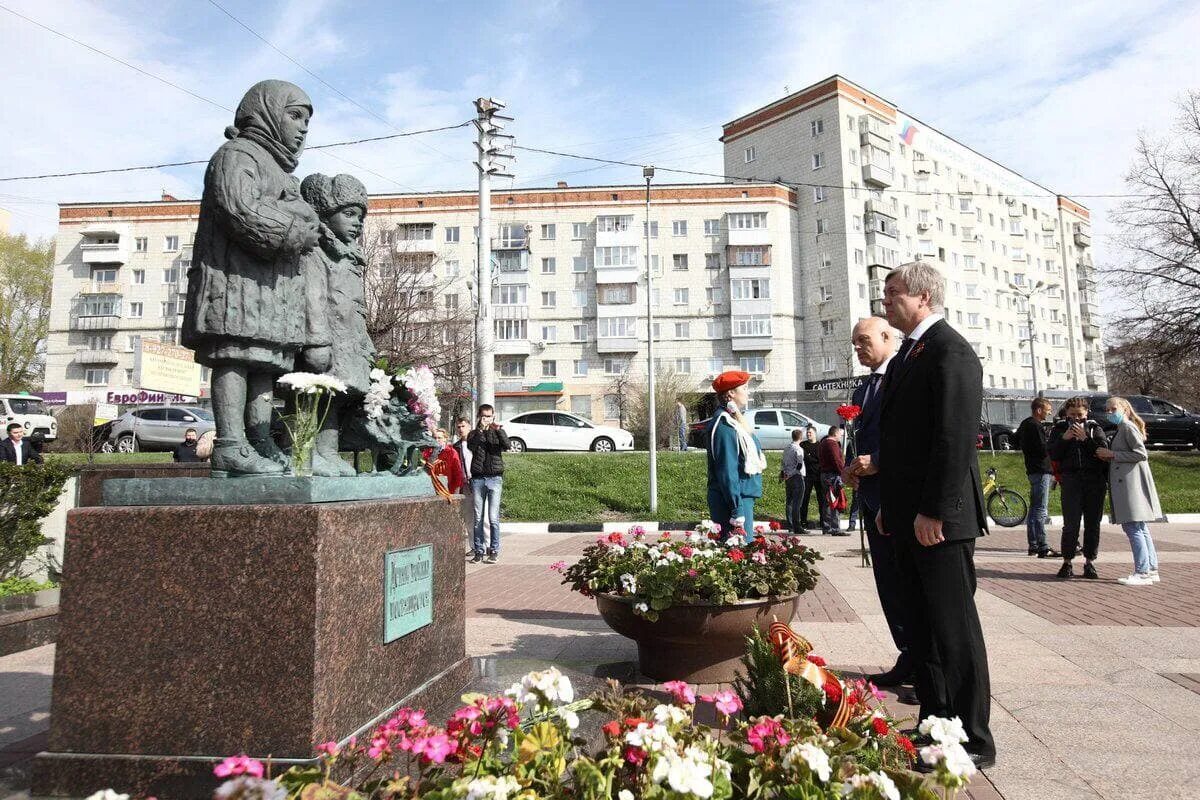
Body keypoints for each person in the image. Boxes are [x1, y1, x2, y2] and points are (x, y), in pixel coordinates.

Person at [874, 261, 995, 768]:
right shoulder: (911, 353)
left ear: (923, 297)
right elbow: (903, 443)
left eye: (893, 293)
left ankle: (974, 737)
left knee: (953, 629)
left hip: (939, 522)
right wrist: (890, 509)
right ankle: (936, 721)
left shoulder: (950, 351)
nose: (886, 302)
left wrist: (933, 511)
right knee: (921, 628)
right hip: (906, 517)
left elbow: (952, 440)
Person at [181, 80, 320, 477]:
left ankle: (257, 440)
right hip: (235, 285)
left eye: (307, 120)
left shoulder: (277, 169)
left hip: (267, 293)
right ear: (266, 112)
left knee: (265, 364)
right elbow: (240, 207)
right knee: (234, 358)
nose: (302, 127)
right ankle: (229, 443)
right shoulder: (236, 154)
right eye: (294, 115)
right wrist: (295, 230)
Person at [843, 315, 911, 686]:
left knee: (906, 582)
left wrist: (879, 461)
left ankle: (923, 665)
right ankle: (907, 654)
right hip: (871, 498)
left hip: (899, 498)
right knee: (886, 581)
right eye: (854, 342)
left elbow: (910, 436)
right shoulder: (862, 389)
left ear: (887, 336)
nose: (858, 348)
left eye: (864, 340)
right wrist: (850, 469)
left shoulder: (903, 375)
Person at [297, 172, 374, 477]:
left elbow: (359, 308)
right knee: (311, 393)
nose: (357, 223)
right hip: (323, 339)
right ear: (327, 214)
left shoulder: (350, 258)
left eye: (361, 217)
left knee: (335, 395)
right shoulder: (315, 250)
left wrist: (365, 342)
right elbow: (312, 297)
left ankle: (327, 451)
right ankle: (304, 452)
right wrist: (317, 339)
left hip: (347, 339)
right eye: (350, 214)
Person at [1096, 397, 1162, 586]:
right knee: (1140, 528)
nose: (1109, 413)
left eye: (1113, 409)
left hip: (1130, 486)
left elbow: (1141, 454)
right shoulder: (1123, 428)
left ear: (1124, 409)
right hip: (1128, 483)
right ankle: (1151, 569)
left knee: (1133, 528)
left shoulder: (1127, 427)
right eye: (1107, 410)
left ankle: (1142, 571)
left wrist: (1113, 454)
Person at [1047, 396, 1109, 579]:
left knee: (1092, 523)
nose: (1076, 419)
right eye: (1072, 415)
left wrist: (1085, 439)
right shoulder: (1059, 429)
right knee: (1071, 524)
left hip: (1094, 480)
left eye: (1079, 415)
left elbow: (1102, 451)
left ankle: (1089, 561)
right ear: (1066, 413)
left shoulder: (1094, 428)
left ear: (1086, 413)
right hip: (1071, 480)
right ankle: (1067, 561)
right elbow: (1052, 454)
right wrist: (1065, 439)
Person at [704, 370, 766, 539]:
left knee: (742, 554)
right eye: (744, 388)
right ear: (731, 393)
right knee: (738, 554)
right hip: (733, 500)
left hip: (741, 496)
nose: (748, 392)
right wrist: (736, 508)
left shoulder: (733, 420)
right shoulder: (724, 425)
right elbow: (727, 470)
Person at [467, 404, 510, 564]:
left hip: (495, 479)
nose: (487, 419)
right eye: (484, 416)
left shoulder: (497, 431)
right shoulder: (473, 434)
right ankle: (478, 551)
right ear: (479, 416)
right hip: (478, 479)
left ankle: (494, 550)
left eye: (490, 416)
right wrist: (480, 430)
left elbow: (507, 445)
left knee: (493, 518)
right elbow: (471, 446)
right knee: (478, 517)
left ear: (493, 416)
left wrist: (497, 430)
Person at [1017, 398, 1059, 558]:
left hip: (1032, 470)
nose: (1050, 412)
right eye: (1048, 409)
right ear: (1039, 410)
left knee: (1034, 508)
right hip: (1041, 470)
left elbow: (1015, 441)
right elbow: (1043, 449)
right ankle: (1042, 546)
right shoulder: (1036, 426)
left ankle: (1033, 544)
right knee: (1041, 509)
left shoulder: (1026, 423)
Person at [818, 426, 846, 535]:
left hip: (824, 474)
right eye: (840, 434)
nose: (840, 436)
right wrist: (843, 472)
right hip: (832, 475)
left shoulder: (823, 443)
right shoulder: (832, 444)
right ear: (835, 434)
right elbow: (836, 460)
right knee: (834, 501)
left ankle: (826, 527)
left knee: (827, 502)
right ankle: (835, 528)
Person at [781, 428, 806, 535]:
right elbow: (799, 465)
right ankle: (797, 526)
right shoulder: (798, 449)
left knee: (789, 502)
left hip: (788, 477)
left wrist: (784, 474)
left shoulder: (787, 448)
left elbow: (782, 462)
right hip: (796, 476)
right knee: (797, 503)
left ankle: (790, 526)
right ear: (801, 437)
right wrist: (792, 473)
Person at [799, 425, 823, 530]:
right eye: (807, 433)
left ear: (815, 434)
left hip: (818, 475)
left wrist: (810, 458)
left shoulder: (820, 445)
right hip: (807, 476)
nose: (809, 434)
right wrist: (810, 458)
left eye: (810, 433)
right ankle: (803, 521)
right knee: (805, 499)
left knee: (821, 499)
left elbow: (820, 459)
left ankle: (823, 521)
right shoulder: (803, 444)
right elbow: (804, 458)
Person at [429, 427, 466, 496]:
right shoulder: (428, 452)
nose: (437, 440)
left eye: (439, 438)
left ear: (445, 439)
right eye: (435, 438)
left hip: (448, 490)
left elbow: (457, 472)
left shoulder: (451, 452)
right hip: (431, 489)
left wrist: (456, 490)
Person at [453, 417, 474, 492]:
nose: (461, 429)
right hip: (464, 481)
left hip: (478, 479)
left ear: (469, 427)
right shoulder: (456, 446)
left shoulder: (477, 442)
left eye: (463, 426)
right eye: (459, 427)